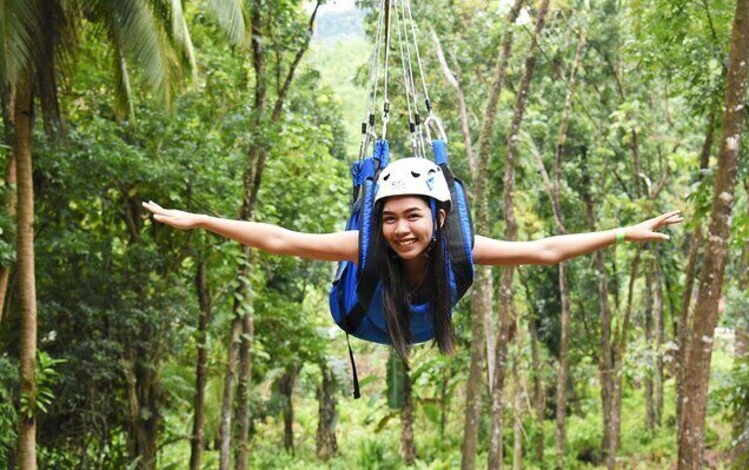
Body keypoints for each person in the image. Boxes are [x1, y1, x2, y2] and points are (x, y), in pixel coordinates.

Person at [143, 157, 682, 360]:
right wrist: (202, 220)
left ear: (440, 217)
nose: (400, 228)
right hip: (365, 318)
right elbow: (281, 238)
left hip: (420, 325)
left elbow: (544, 251)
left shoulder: (460, 252)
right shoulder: (365, 249)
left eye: (413, 216)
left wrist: (622, 233)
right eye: (389, 217)